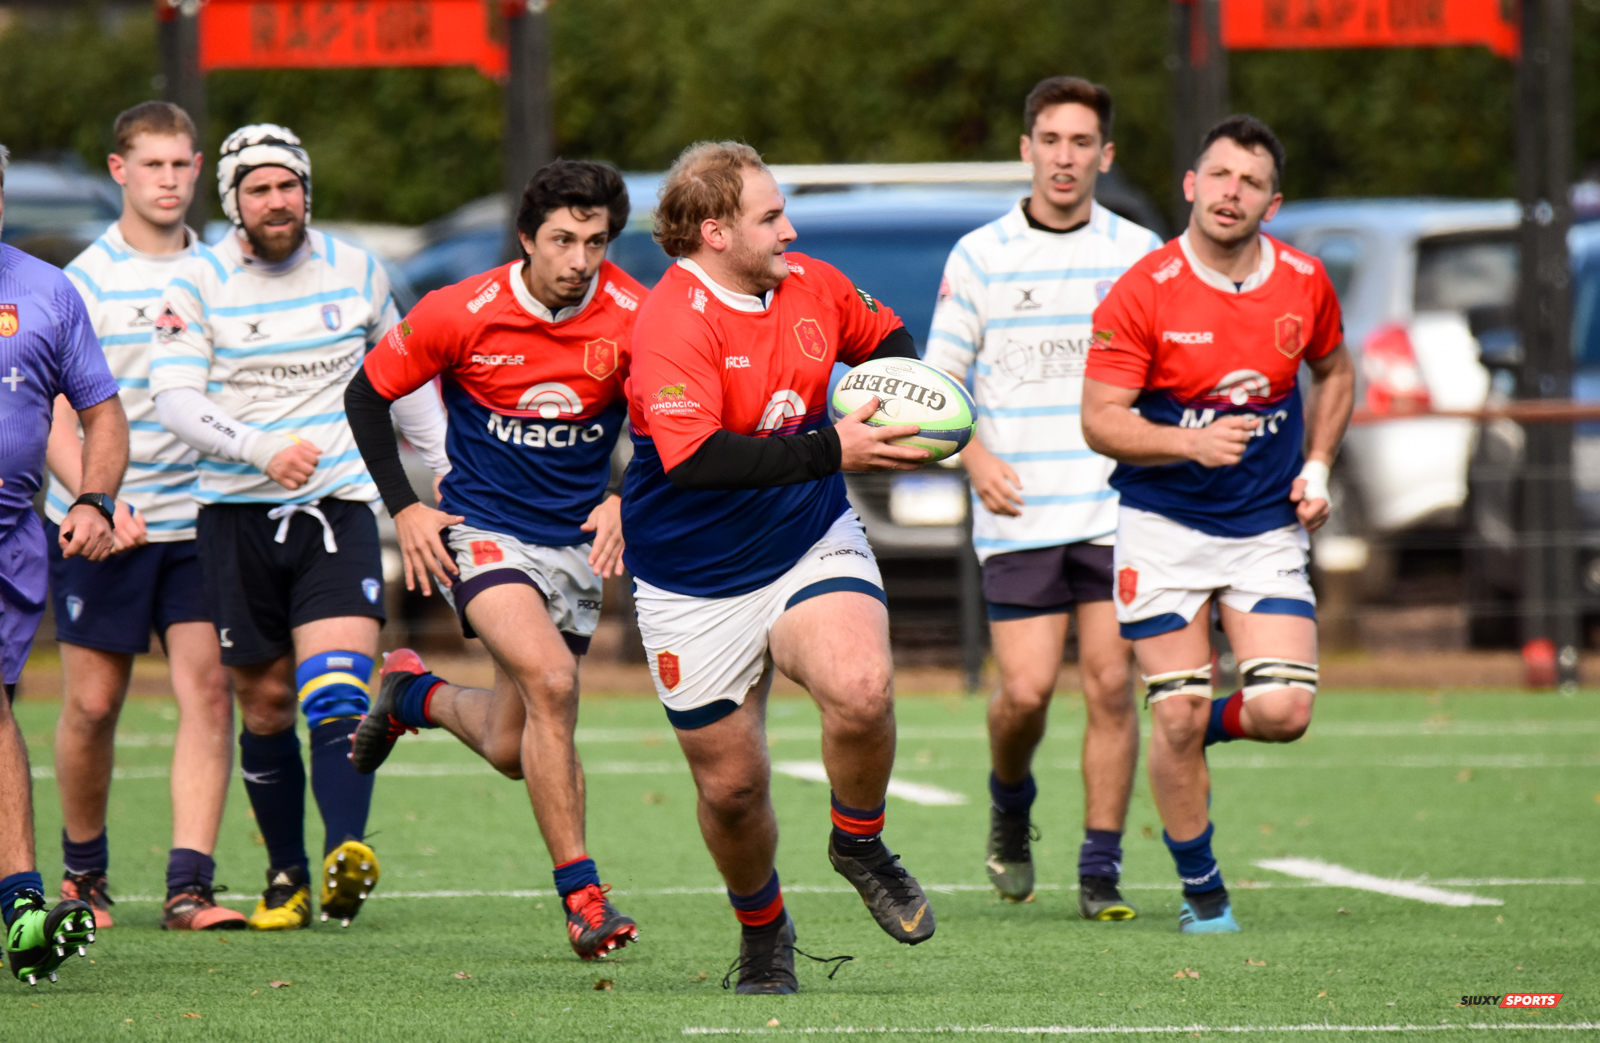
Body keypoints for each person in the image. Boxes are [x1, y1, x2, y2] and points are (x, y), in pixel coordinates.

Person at [623, 141, 937, 995]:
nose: (790, 229)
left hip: (806, 538)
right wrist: (837, 443)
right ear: (714, 231)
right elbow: (695, 460)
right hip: (693, 578)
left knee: (862, 686)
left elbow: (885, 334)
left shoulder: (813, 284)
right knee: (732, 788)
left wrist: (899, 399)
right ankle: (764, 929)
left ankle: (859, 839)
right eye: (771, 216)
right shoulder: (670, 322)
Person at [148, 124, 449, 931]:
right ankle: (285, 874)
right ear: (235, 202)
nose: (276, 200)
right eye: (258, 188)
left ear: (305, 190)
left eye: (287, 185)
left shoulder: (356, 268)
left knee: (336, 687)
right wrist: (258, 447)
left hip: (339, 510)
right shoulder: (197, 280)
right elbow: (173, 395)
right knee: (269, 702)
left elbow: (402, 373)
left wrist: (446, 463)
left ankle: (345, 853)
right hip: (233, 519)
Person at [344, 160, 644, 961]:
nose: (580, 260)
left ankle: (413, 694)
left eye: (596, 241)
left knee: (517, 746)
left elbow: (661, 418)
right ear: (526, 239)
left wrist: (624, 494)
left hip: (574, 545)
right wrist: (405, 507)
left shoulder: (634, 315)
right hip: (484, 531)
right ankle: (584, 897)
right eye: (562, 240)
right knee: (553, 681)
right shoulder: (461, 310)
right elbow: (366, 395)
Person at [1082, 115, 1354, 933]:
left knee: (1283, 713)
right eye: (1220, 175)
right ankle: (1204, 891)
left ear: (1274, 204)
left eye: (1251, 182)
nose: (1232, 192)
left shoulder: (1305, 281)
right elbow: (1100, 419)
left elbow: (1336, 371)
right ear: (1192, 185)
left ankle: (1202, 723)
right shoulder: (1145, 289)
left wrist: (1318, 467)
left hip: (1266, 529)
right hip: (1162, 529)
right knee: (1172, 710)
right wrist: (1187, 443)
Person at [925, 76, 1159, 920]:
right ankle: (1010, 801)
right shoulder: (980, 255)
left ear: (1106, 155)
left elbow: (1165, 378)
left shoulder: (1138, 253)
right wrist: (976, 456)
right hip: (1019, 509)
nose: (1066, 157)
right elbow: (939, 386)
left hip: (1116, 507)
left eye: (1081, 142)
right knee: (1022, 693)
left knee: (1108, 682)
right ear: (1027, 149)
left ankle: (1100, 868)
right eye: (1051, 140)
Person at [43, 101, 243, 932]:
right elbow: (56, 409)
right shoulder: (81, 279)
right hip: (105, 522)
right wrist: (98, 496)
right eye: (151, 165)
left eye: (181, 164)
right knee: (93, 703)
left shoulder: (227, 270)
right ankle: (83, 876)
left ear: (199, 170)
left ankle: (188, 886)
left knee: (209, 688)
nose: (168, 179)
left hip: (203, 520)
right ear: (120, 171)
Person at [0, 141, 119, 981]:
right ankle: (22, 906)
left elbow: (101, 415)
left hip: (14, 540)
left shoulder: (46, 290)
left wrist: (94, 498)